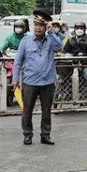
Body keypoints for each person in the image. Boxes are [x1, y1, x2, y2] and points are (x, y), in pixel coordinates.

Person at [12, 9, 63, 145]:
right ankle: (27, 135)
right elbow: (18, 61)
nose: (38, 28)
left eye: (41, 25)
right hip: (30, 81)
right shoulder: (25, 41)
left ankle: (45, 135)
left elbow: (59, 47)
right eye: (36, 24)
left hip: (48, 81)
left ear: (46, 26)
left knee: (46, 111)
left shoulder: (51, 40)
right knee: (27, 110)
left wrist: (51, 32)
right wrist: (15, 78)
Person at [62, 20, 87, 101]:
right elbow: (66, 51)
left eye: (81, 28)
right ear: (74, 29)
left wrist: (83, 61)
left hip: (85, 65)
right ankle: (65, 95)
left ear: (84, 29)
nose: (79, 29)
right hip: (72, 65)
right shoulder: (71, 40)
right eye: (77, 28)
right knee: (62, 78)